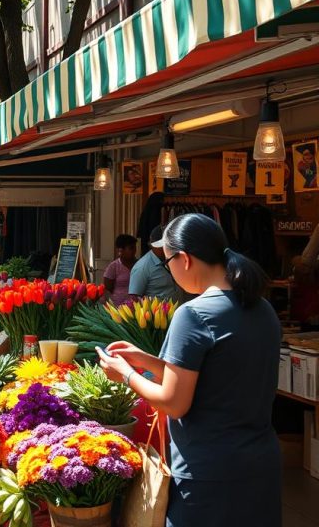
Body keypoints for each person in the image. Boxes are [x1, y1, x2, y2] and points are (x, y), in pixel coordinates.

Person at [97, 214, 280, 526]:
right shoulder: (262, 308)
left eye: (168, 263)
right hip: (260, 468)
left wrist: (124, 374)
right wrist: (146, 360)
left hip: (207, 473)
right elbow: (219, 373)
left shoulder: (193, 314)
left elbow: (173, 402)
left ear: (183, 259)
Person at [129, 225, 183, 301]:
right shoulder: (142, 267)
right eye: (162, 246)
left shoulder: (174, 259)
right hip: (156, 312)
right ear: (152, 246)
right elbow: (134, 298)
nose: (166, 248)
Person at [103, 234, 138, 305]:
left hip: (138, 307)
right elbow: (108, 287)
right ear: (121, 250)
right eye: (131, 248)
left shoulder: (140, 264)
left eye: (135, 248)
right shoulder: (113, 266)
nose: (134, 251)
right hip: (118, 306)